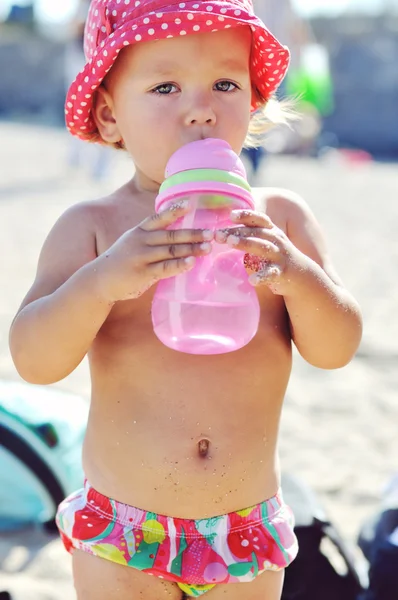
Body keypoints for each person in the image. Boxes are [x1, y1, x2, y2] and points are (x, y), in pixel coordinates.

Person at [9, 1, 362, 599]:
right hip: (125, 529)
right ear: (109, 115)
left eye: (225, 83)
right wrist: (102, 280)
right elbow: (34, 359)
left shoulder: (279, 222)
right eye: (165, 86)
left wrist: (297, 275)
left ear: (252, 103)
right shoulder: (95, 228)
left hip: (243, 528)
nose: (200, 108)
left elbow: (336, 348)